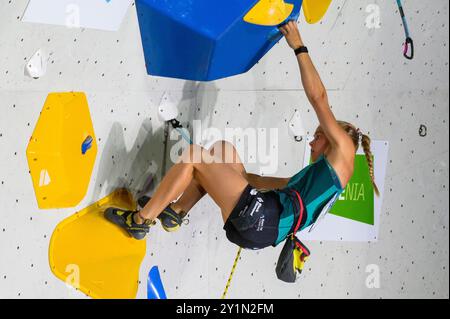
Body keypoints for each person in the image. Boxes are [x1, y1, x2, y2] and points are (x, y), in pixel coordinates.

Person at [105, 21, 379, 248]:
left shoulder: (343, 150)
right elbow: (255, 179)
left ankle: (140, 222)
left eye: (318, 135)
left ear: (336, 137)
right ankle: (175, 212)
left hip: (260, 220)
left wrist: (298, 45)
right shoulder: (317, 179)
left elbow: (319, 98)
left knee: (193, 157)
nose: (312, 140)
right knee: (223, 151)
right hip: (262, 222)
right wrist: (232, 173)